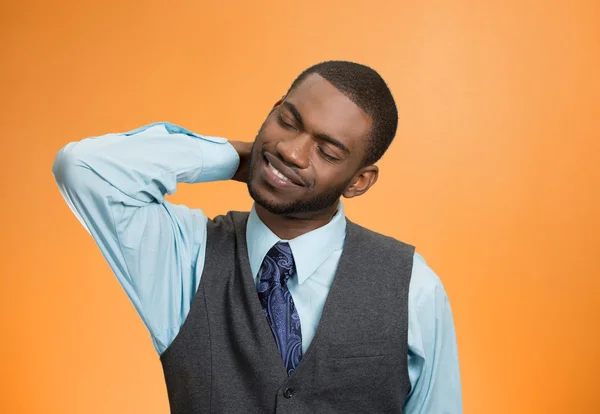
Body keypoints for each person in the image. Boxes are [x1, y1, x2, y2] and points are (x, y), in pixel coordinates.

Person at [52, 61, 462, 413]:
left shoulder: (413, 288)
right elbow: (83, 168)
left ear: (359, 181)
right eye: (288, 122)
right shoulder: (185, 256)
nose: (293, 152)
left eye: (328, 152)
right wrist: (234, 158)